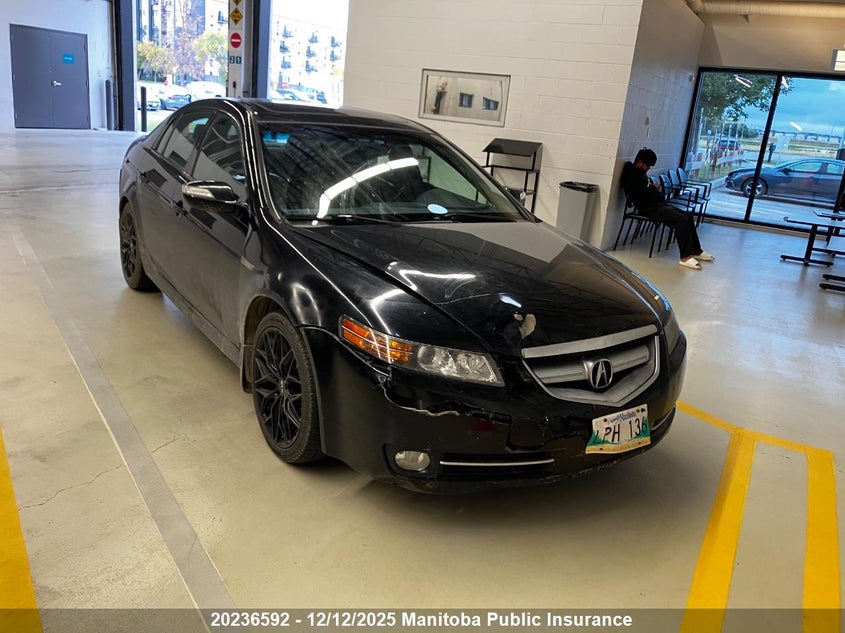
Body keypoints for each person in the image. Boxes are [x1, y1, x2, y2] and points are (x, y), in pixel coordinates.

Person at [620, 148, 715, 270]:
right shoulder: (631, 175)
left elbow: (644, 189)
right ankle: (685, 257)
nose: (648, 168)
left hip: (658, 204)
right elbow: (638, 195)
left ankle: (696, 250)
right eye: (647, 166)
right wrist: (653, 188)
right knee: (680, 221)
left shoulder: (640, 173)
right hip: (648, 208)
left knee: (688, 217)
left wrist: (652, 188)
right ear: (640, 162)